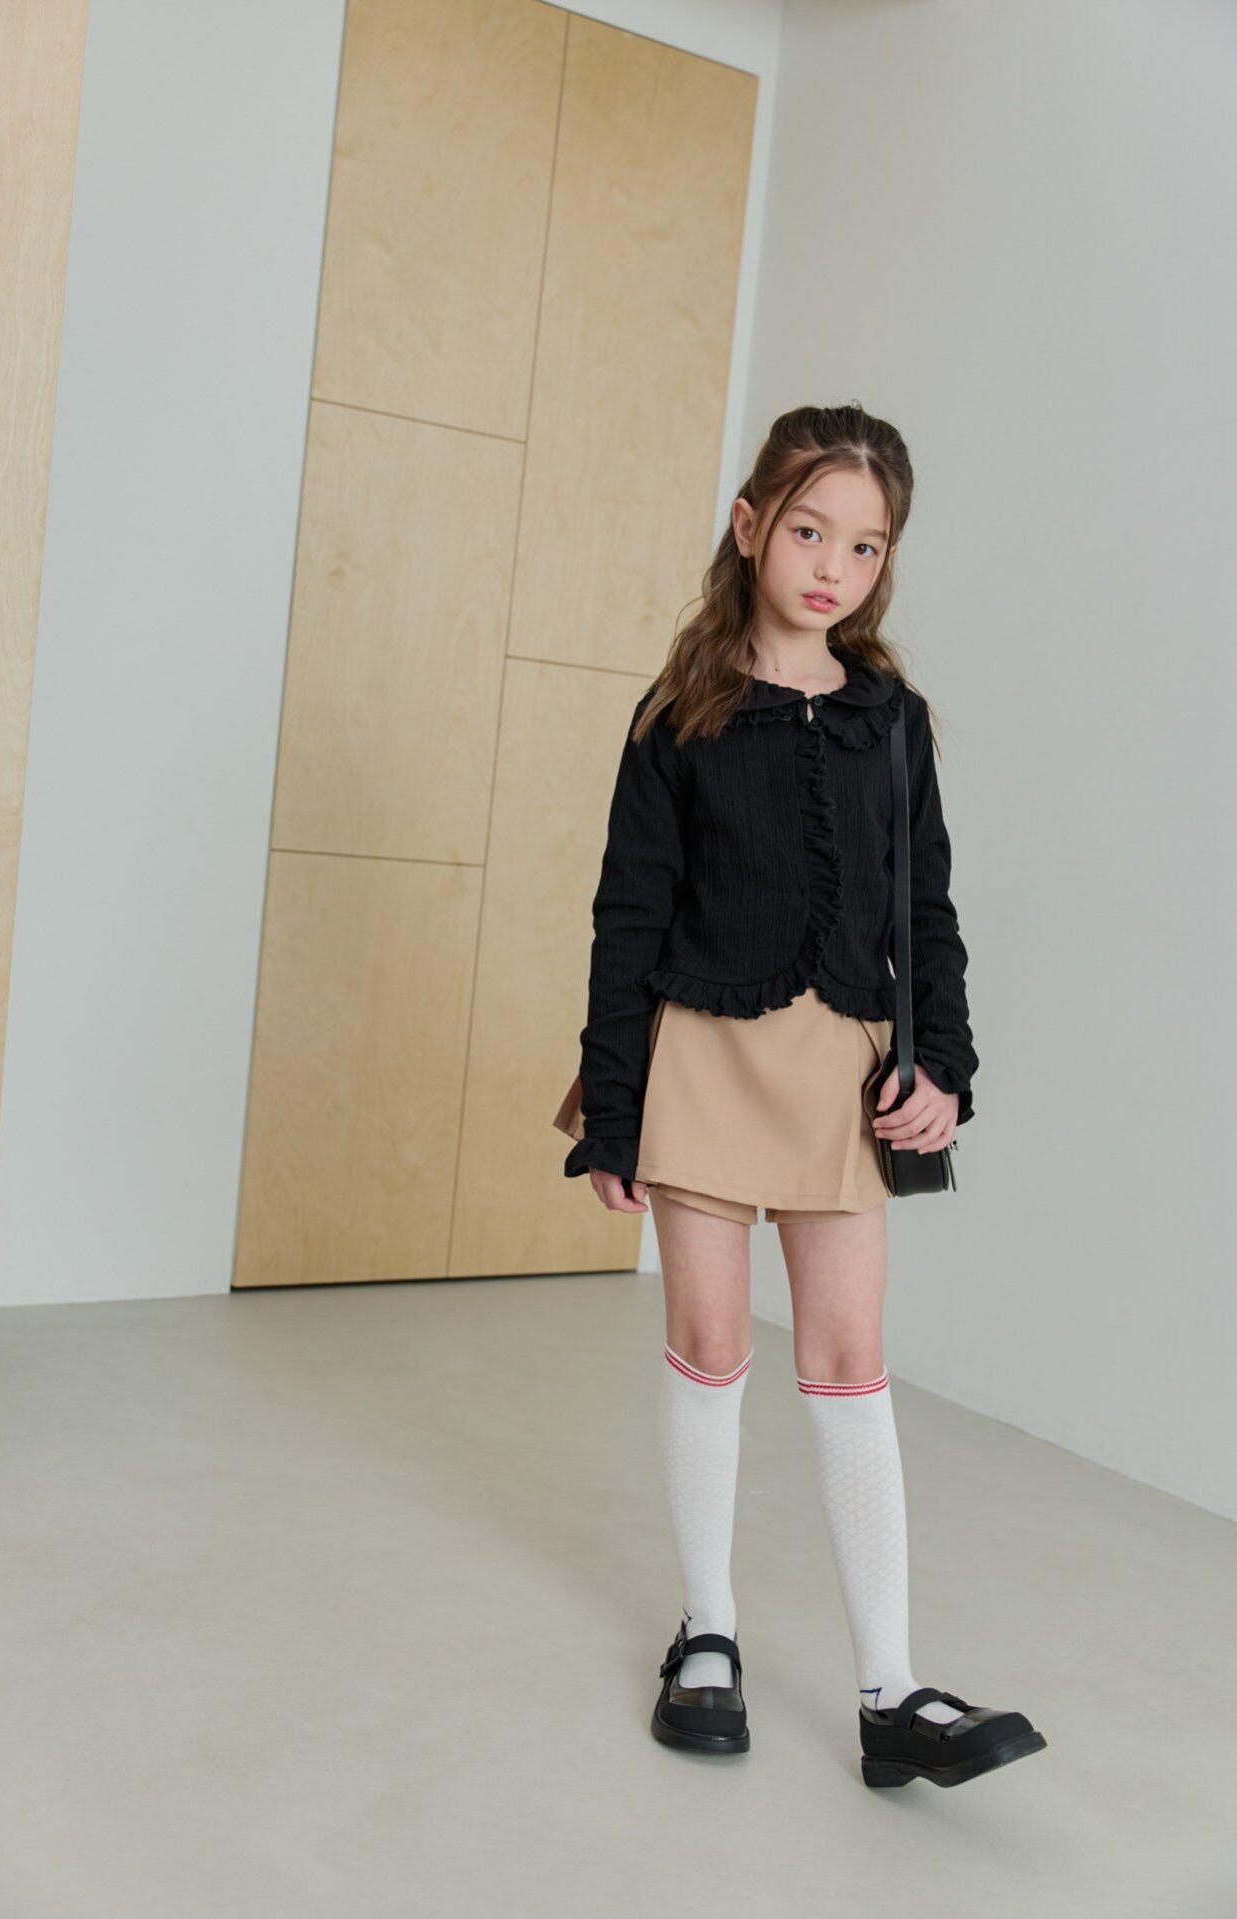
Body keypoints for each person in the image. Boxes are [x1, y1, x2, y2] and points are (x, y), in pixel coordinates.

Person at [552, 403, 1046, 1790]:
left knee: (848, 1360)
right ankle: (707, 1632)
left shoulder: (894, 720)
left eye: (865, 545)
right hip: (699, 1059)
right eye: (810, 531)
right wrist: (612, 1108)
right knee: (712, 1345)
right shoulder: (681, 714)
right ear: (750, 525)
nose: (834, 566)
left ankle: (891, 1690)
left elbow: (926, 908)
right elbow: (627, 917)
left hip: (842, 1074)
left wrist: (944, 1065)